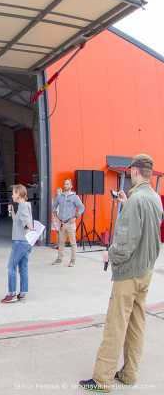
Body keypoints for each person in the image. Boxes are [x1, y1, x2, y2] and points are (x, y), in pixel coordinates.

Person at [79, 154, 163, 392]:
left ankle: (102, 380)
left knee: (115, 325)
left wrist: (110, 254)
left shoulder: (137, 200)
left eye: (130, 172)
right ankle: (129, 374)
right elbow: (146, 229)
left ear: (135, 171)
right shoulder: (154, 198)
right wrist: (127, 203)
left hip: (128, 274)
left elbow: (126, 242)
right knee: (136, 324)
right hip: (146, 271)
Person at [1, 184, 33, 303]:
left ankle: (12, 293)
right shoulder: (24, 205)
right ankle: (23, 292)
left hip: (20, 241)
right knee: (23, 267)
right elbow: (17, 221)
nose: (12, 195)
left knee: (11, 266)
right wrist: (12, 211)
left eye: (14, 193)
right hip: (26, 242)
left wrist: (30, 228)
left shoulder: (23, 206)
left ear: (19, 194)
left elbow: (27, 223)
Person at [52, 179, 85, 267]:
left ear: (71, 186)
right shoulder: (60, 197)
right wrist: (56, 216)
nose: (65, 185)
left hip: (70, 224)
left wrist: (75, 217)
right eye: (64, 184)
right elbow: (54, 206)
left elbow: (82, 207)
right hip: (62, 224)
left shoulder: (75, 197)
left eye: (67, 184)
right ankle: (59, 259)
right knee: (61, 243)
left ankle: (72, 261)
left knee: (73, 243)